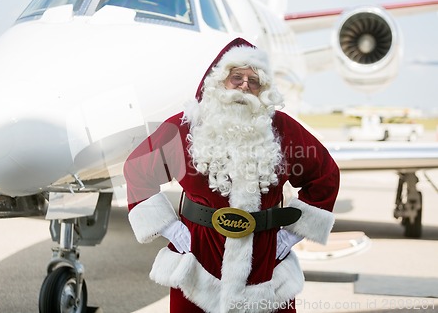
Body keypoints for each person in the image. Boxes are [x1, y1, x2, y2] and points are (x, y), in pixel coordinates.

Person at [123, 38, 340, 313]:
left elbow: (325, 175)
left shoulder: (283, 130)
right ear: (218, 82)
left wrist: (291, 236)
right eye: (236, 77)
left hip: (266, 270)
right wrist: (171, 230)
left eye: (254, 80)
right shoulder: (183, 128)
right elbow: (137, 169)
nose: (245, 86)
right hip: (196, 267)